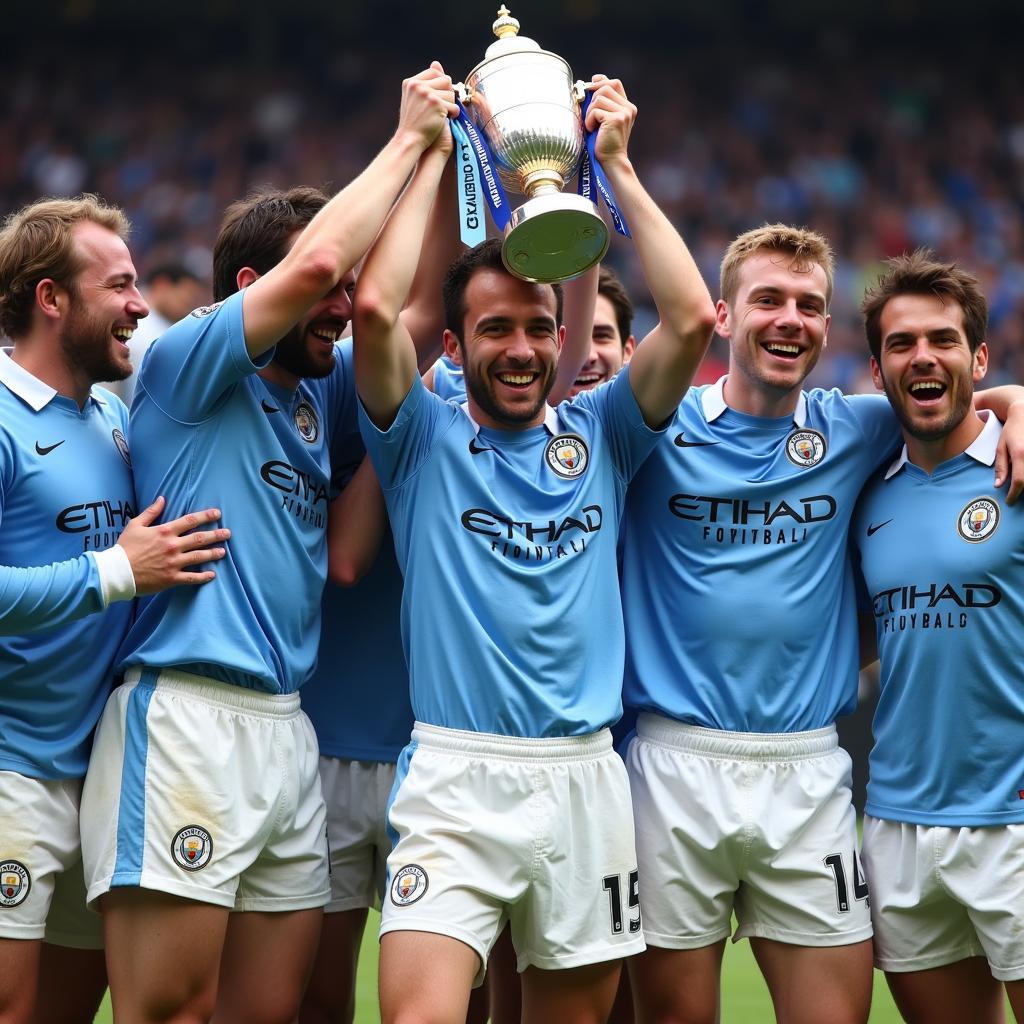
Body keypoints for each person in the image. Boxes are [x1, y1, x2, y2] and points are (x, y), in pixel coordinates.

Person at [78, 65, 459, 1024]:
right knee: (172, 1011)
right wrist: (406, 139)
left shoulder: (312, 394)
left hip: (289, 731)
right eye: (316, 288)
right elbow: (328, 272)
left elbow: (405, 313)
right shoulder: (188, 359)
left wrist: (453, 161)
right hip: (188, 716)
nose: (338, 303)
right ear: (253, 288)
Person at [353, 74, 715, 1024]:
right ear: (460, 340)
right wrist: (434, 153)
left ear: (563, 340)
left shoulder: (601, 432)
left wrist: (620, 171)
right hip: (453, 778)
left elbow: (690, 321)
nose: (519, 347)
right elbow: (373, 315)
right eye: (495, 328)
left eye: (537, 329)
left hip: (583, 780)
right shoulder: (420, 438)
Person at [618, 224, 1024, 1024]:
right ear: (724, 318)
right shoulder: (653, 428)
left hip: (817, 773)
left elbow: (962, 396)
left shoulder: (868, 433)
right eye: (767, 298)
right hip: (680, 762)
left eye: (809, 304)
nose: (789, 318)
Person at [0, 194, 228, 1023]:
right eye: (120, 285)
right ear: (51, 299)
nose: (141, 305)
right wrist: (114, 570)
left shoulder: (109, 415)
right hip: (10, 768)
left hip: (97, 772)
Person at [853, 251, 1024, 1024]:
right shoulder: (865, 495)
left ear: (978, 358)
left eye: (944, 340)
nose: (923, 356)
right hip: (898, 826)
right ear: (880, 368)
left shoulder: (1018, 466)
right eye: (901, 343)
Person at [116, 261, 206, 403]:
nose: (189, 304)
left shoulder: (164, 329)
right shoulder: (147, 331)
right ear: (162, 285)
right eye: (186, 296)